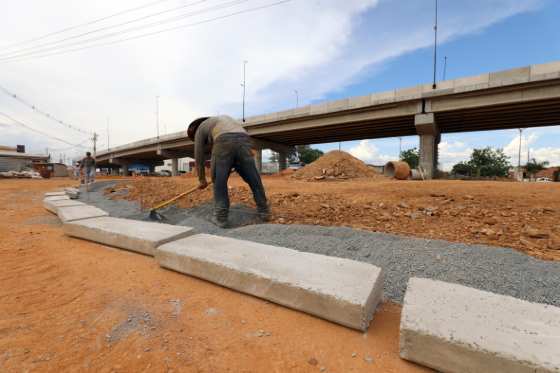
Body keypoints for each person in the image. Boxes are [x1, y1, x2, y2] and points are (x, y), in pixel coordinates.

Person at [187, 115, 269, 228]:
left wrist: (202, 180)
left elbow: (199, 156)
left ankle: (220, 217)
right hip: (245, 139)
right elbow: (235, 143)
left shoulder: (199, 129)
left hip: (223, 140)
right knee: (254, 178)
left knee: (219, 182)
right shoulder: (219, 121)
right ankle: (264, 211)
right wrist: (235, 163)